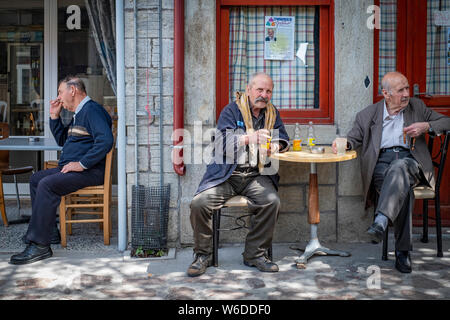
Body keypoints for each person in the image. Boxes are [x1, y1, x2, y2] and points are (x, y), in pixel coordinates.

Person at [332, 71, 450, 273]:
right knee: (401, 187)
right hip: (381, 165)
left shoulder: (417, 108)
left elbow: (447, 122)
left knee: (401, 168)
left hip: (413, 163)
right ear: (386, 94)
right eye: (401, 90)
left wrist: (426, 126)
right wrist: (343, 142)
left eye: (408, 88)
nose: (406, 94)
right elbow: (353, 139)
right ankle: (402, 252)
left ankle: (381, 220)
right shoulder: (367, 115)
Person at [187, 72, 290, 277]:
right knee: (199, 204)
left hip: (256, 175)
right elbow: (220, 143)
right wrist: (248, 138)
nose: (264, 95)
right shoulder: (232, 110)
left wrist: (276, 147)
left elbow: (284, 138)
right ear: (249, 90)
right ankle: (203, 256)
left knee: (272, 202)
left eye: (268, 91)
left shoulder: (272, 113)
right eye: (260, 90)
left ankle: (255, 254)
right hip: (227, 175)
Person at [10, 76, 114, 265]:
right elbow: (63, 141)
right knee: (36, 179)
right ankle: (49, 233)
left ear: (72, 90)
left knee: (47, 184)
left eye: (60, 91)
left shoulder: (92, 110)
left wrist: (81, 163)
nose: (58, 96)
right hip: (74, 170)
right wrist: (54, 116)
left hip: (89, 172)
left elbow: (106, 141)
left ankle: (40, 246)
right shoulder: (80, 113)